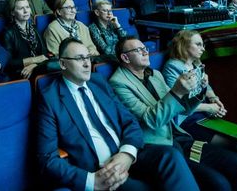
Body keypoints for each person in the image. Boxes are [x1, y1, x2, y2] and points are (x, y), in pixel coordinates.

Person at [37, 38, 200, 191]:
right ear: (63, 63)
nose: (87, 63)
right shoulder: (50, 98)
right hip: (102, 169)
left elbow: (130, 122)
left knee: (170, 156)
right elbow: (47, 158)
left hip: (127, 154)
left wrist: (127, 153)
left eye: (88, 57)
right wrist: (92, 181)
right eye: (79, 58)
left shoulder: (98, 82)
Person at [110, 37, 237, 191]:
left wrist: (198, 90)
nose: (145, 52)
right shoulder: (118, 83)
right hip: (159, 146)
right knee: (219, 183)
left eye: (145, 48)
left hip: (180, 138)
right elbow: (152, 120)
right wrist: (177, 91)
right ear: (125, 57)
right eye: (138, 50)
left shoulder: (155, 75)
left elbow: (182, 110)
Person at [163, 30, 237, 168]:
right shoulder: (172, 66)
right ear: (184, 45)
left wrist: (214, 99)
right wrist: (210, 107)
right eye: (198, 44)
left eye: (202, 45)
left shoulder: (196, 64)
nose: (203, 49)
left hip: (204, 116)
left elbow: (206, 86)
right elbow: (178, 103)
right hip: (187, 120)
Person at [3, 0, 52, 80]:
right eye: (21, 8)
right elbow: (8, 63)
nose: (26, 11)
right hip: (21, 73)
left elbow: (45, 54)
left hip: (39, 68)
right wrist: (34, 60)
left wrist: (34, 65)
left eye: (27, 7)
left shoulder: (34, 28)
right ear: (12, 12)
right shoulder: (8, 33)